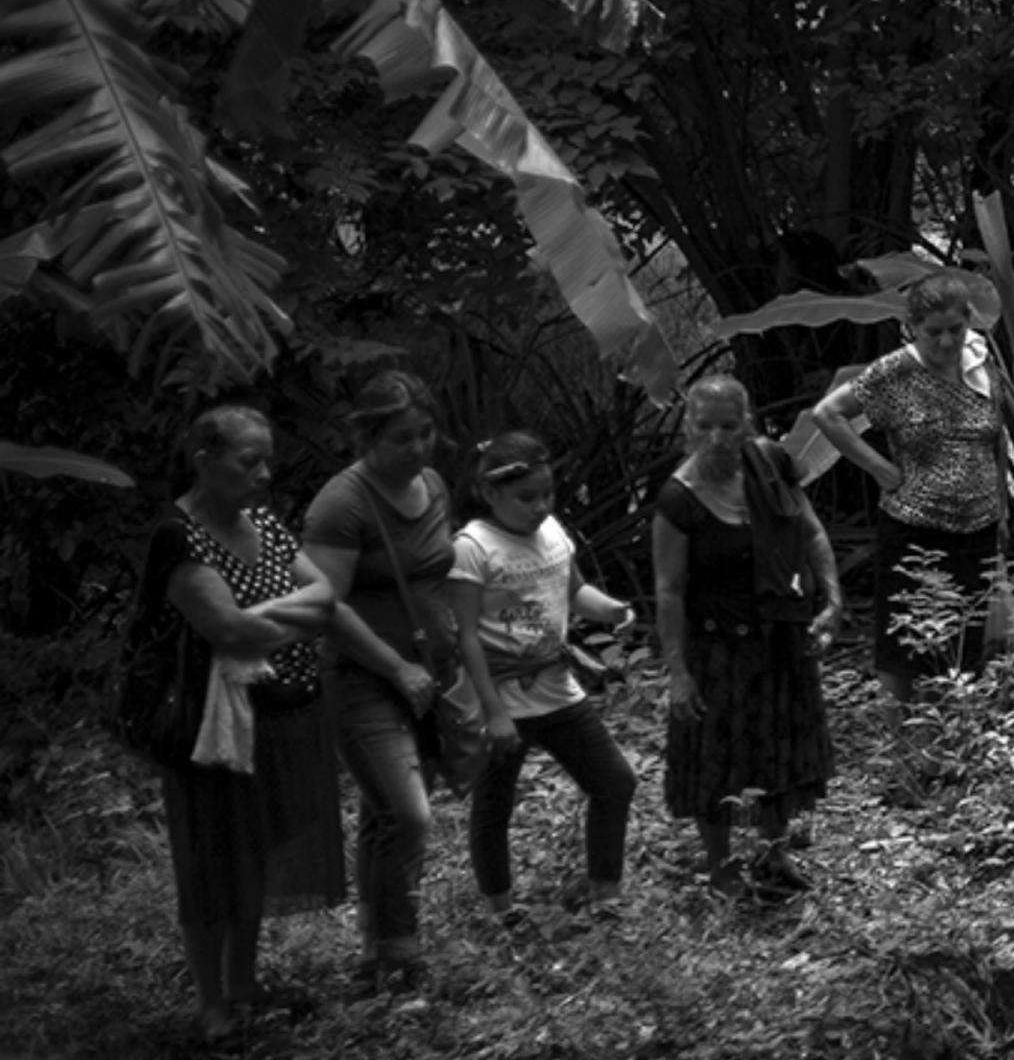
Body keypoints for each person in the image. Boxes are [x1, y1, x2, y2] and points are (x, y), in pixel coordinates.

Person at [133, 407, 346, 1035]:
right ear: (204, 458)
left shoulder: (264, 525)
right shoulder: (179, 535)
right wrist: (286, 615)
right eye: (248, 461)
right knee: (211, 862)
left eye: (266, 460)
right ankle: (212, 1007)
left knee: (254, 851)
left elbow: (327, 597)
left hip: (280, 713)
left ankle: (244, 982)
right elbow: (226, 628)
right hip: (211, 729)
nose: (264, 474)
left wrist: (261, 617)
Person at [304, 370, 461, 993]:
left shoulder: (435, 486)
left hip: (430, 673)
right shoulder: (342, 504)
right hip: (364, 677)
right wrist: (395, 666)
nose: (419, 449)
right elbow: (322, 604)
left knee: (384, 815)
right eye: (403, 438)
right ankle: (402, 947)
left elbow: (441, 573)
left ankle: (377, 951)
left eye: (426, 434)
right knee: (408, 813)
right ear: (369, 438)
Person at [654, 375, 841, 899]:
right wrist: (677, 672)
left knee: (779, 745)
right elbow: (668, 591)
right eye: (705, 426)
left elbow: (811, 532)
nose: (717, 437)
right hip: (717, 644)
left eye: (728, 426)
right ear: (689, 429)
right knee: (715, 758)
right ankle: (722, 867)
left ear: (748, 424)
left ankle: (773, 854)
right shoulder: (679, 498)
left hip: (779, 632)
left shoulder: (771, 464)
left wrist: (832, 601)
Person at [449, 430, 640, 925]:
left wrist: (614, 611)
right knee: (494, 805)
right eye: (526, 497)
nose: (539, 506)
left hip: (557, 690)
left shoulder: (553, 531)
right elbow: (465, 634)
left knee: (614, 782)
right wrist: (492, 711)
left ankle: (606, 893)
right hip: (505, 696)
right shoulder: (473, 547)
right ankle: (500, 906)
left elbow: (574, 592)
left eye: (546, 495)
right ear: (491, 494)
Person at [806, 268, 1008, 705]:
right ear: (911, 329)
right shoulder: (894, 372)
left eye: (955, 329)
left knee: (965, 640)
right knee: (906, 642)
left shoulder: (979, 364)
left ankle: (955, 740)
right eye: (933, 332)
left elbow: (997, 435)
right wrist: (879, 468)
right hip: (917, 526)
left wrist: (1002, 502)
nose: (946, 342)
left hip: (979, 527)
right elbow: (827, 414)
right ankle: (904, 749)